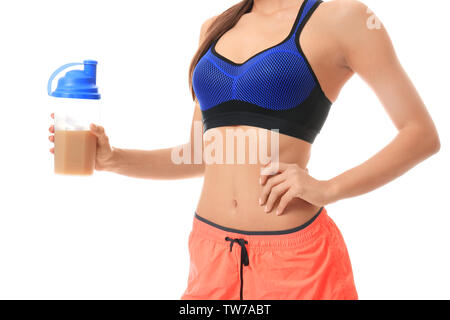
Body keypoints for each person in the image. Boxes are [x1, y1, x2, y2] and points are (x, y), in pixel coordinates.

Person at [48, 0, 440, 300]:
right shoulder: (215, 29)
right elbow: (202, 154)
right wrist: (113, 159)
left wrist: (328, 188)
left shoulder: (344, 18)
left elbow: (420, 134)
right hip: (210, 252)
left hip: (296, 259)